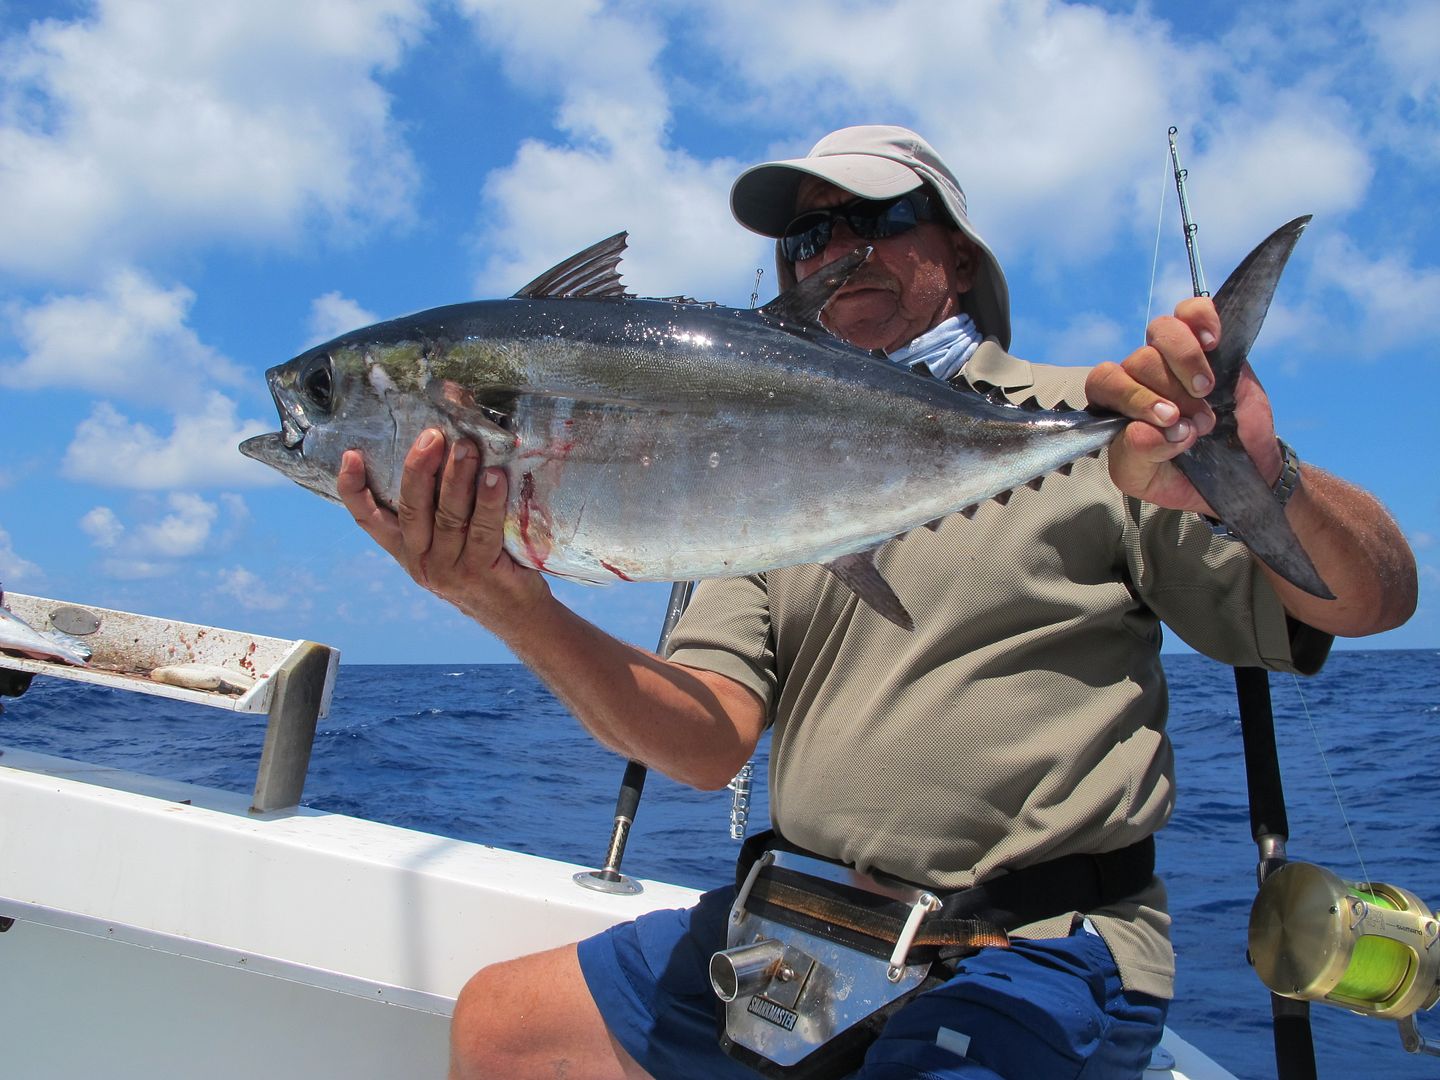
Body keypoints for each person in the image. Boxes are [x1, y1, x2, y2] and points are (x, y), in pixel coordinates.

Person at [338, 126, 1417, 1078]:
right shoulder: (735, 480)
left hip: (1035, 949)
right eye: (808, 238)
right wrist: (507, 601)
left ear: (956, 252)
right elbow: (708, 741)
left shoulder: (1106, 425)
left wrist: (1265, 474)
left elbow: (1372, 600)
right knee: (506, 1030)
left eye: (877, 218)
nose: (836, 250)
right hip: (809, 931)